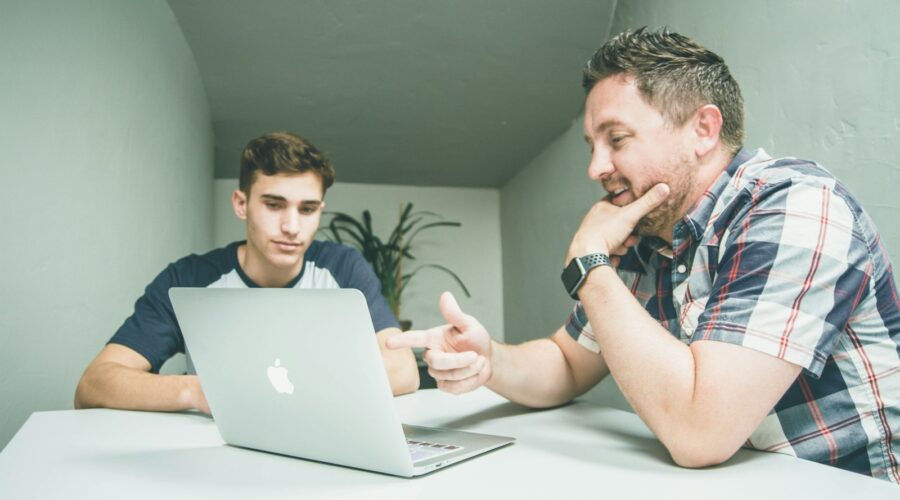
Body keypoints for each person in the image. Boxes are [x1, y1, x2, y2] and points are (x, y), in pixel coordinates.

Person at [388, 28, 900, 482]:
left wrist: (590, 262)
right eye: (592, 144)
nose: (596, 167)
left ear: (703, 129)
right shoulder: (652, 233)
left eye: (616, 139)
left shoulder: (795, 206)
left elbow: (701, 432)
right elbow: (568, 361)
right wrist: (490, 360)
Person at [76, 132, 419, 413]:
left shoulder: (342, 268)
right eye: (274, 205)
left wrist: (283, 387)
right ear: (242, 204)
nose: (291, 226)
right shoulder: (189, 279)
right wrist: (198, 392)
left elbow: (403, 371)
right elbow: (94, 384)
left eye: (308, 209)